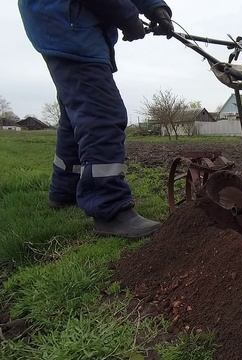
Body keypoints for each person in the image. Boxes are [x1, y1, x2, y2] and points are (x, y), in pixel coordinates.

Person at [18, 0, 174, 238]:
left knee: (74, 118)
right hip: (69, 26)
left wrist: (155, 8)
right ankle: (109, 208)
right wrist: (128, 15)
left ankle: (64, 191)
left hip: (66, 25)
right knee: (103, 115)